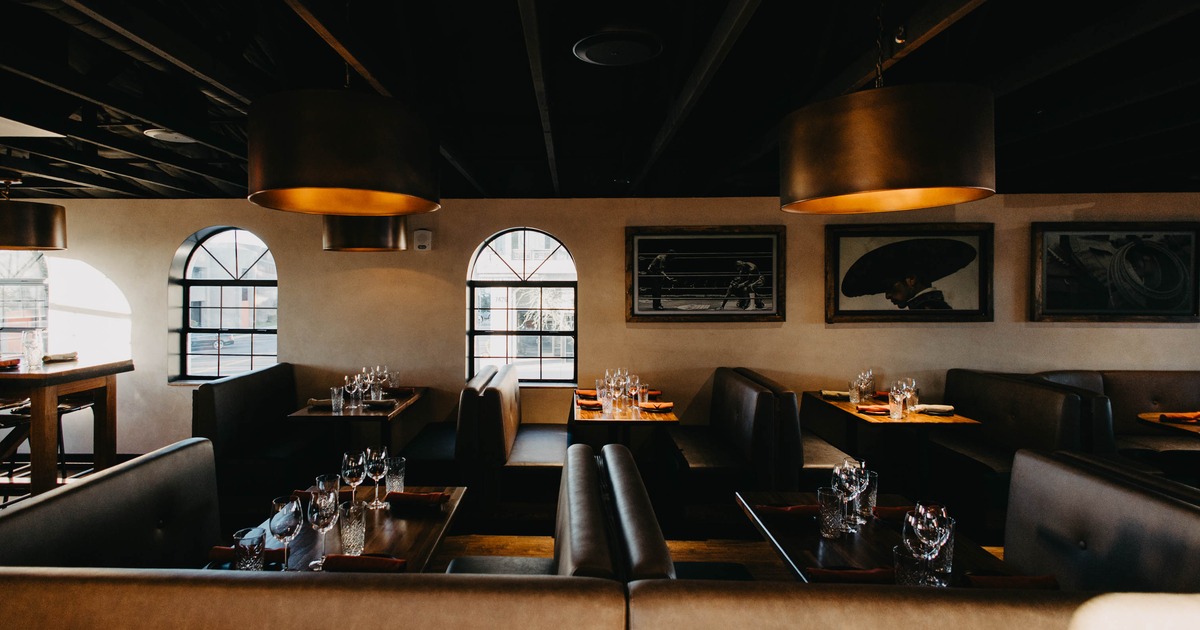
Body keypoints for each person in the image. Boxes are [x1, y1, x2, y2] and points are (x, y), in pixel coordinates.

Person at [840, 238, 977, 310]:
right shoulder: (931, 306)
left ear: (911, 280)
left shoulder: (927, 310)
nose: (887, 295)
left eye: (890, 287)